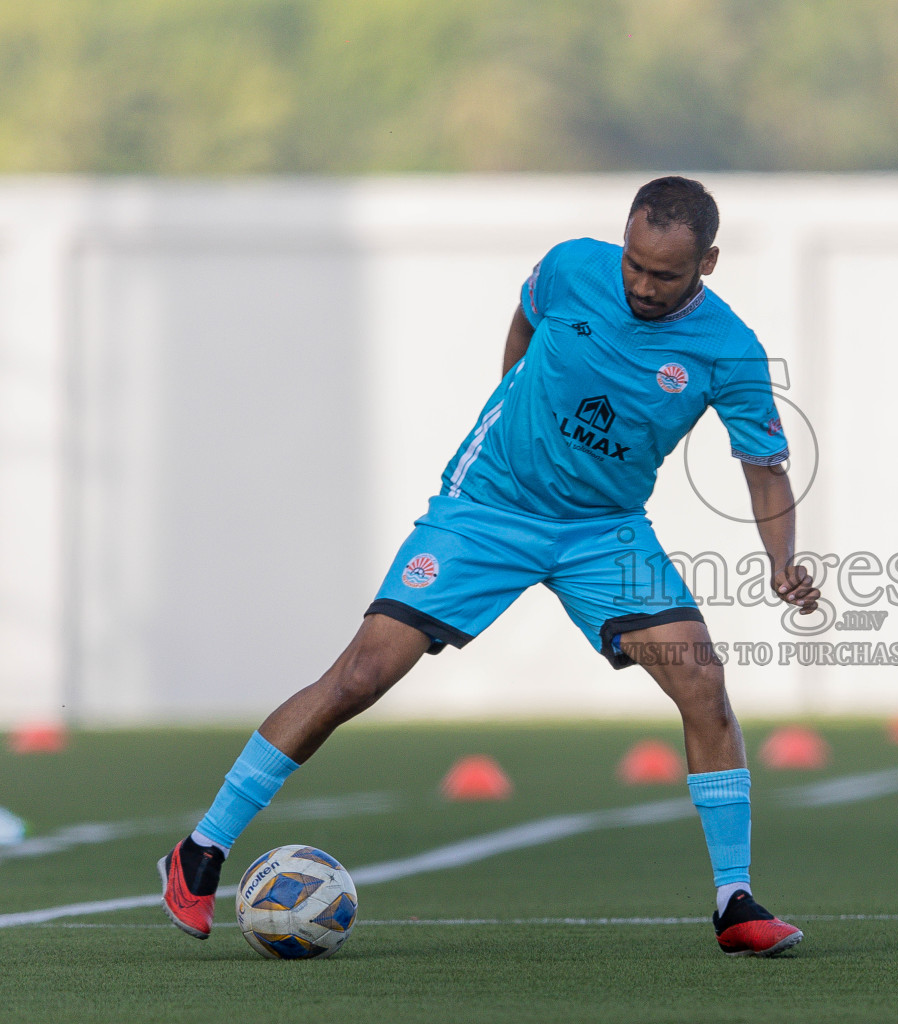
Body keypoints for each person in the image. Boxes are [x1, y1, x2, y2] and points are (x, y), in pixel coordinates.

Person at [159, 176, 818, 958]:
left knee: (703, 683)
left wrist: (783, 563)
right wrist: (509, 401)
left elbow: (765, 467)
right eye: (635, 264)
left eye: (664, 275)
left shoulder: (730, 352)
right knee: (360, 678)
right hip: (486, 508)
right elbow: (525, 324)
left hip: (603, 532)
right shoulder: (573, 266)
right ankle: (199, 851)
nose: (641, 285)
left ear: (707, 261)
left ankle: (734, 900)